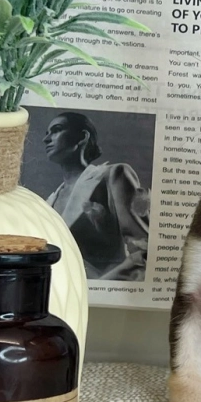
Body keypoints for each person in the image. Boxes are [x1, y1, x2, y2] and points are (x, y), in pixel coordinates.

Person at [42, 112, 149, 281]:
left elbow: (143, 250)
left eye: (56, 130)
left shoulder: (113, 175)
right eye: (47, 133)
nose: (46, 139)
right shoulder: (49, 202)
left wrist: (99, 287)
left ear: (82, 137)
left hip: (104, 288)